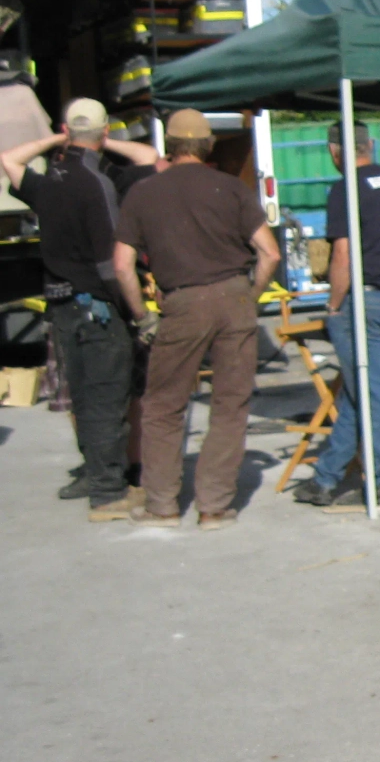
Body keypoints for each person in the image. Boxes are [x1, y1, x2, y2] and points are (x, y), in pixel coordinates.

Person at [113, 109, 280, 530]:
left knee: (163, 407)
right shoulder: (231, 189)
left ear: (170, 144)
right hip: (233, 297)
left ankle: (163, 505)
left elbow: (121, 265)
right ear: (208, 145)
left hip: (181, 303)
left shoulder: (143, 193)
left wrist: (141, 316)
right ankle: (213, 507)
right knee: (229, 404)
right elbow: (271, 253)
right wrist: (250, 296)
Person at [1, 98, 157, 519]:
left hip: (63, 310)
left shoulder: (51, 179)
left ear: (66, 132)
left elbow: (9, 159)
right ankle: (109, 493)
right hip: (99, 308)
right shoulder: (97, 183)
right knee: (109, 398)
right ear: (106, 132)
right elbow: (110, 262)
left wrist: (60, 137)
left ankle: (94, 473)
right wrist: (136, 311)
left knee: (86, 400)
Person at [292, 121, 380, 508]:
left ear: (334, 151)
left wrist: (332, 306)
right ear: (370, 145)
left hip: (361, 302)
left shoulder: (345, 189)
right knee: (361, 393)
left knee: (370, 392)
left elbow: (341, 254)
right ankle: (325, 479)